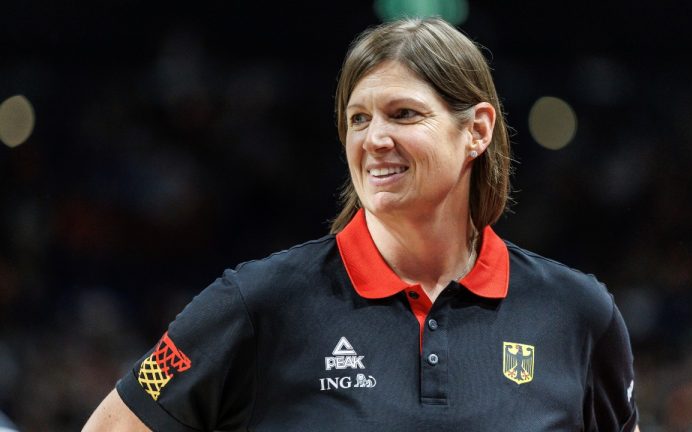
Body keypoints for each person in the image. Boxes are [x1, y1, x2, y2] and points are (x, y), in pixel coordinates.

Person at [84, 17, 639, 431]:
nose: (373, 139)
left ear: (477, 130)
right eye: (358, 119)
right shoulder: (258, 303)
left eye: (403, 114)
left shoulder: (578, 313)